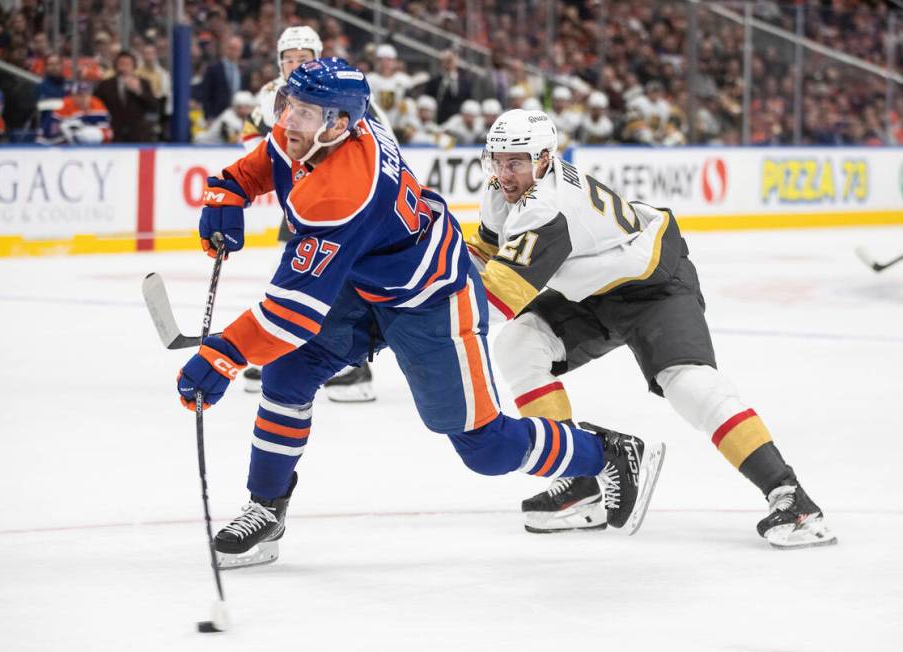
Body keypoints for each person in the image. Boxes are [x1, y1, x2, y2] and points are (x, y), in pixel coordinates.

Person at [175, 59, 665, 568]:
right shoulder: (331, 128)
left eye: (304, 111)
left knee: (486, 449)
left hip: (432, 296)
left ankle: (604, 452)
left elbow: (290, 314)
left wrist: (222, 357)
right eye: (288, 106)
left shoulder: (342, 191)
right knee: (286, 372)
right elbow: (269, 158)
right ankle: (266, 508)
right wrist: (228, 190)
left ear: (340, 124)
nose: (288, 121)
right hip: (369, 277)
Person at [468, 109, 836, 549]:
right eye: (499, 160)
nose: (506, 174)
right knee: (520, 348)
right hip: (594, 290)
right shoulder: (502, 188)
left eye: (518, 162)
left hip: (654, 285)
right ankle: (581, 483)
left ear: (546, 158)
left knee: (690, 386)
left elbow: (492, 302)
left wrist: (411, 315)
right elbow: (488, 257)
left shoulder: (545, 208)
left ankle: (792, 498)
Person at [239, 25, 375, 402]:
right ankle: (282, 346)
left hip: (341, 198)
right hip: (303, 198)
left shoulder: (341, 91)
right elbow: (252, 139)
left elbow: (376, 140)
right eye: (289, 59)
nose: (295, 64)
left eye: (304, 58)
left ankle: (356, 366)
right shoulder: (271, 96)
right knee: (300, 273)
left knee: (338, 278)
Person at [95, 51, 159, 142]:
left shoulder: (144, 83)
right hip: (115, 131)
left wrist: (139, 91)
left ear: (134, 66)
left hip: (138, 133)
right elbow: (97, 105)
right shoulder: (105, 85)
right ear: (116, 66)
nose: (124, 67)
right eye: (121, 64)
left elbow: (154, 106)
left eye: (128, 64)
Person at [48, 81, 112, 144]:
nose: (84, 98)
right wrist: (71, 135)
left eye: (86, 94)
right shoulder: (63, 106)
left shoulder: (98, 106)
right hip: (66, 148)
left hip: (94, 148)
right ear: (73, 95)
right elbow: (50, 133)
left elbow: (108, 132)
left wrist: (98, 136)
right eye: (80, 95)